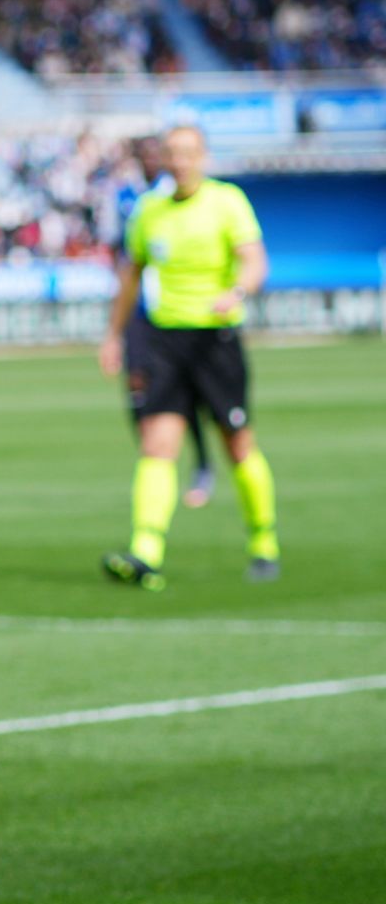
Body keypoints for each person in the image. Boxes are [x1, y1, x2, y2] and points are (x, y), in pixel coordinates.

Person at [98, 124, 276, 590]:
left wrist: (237, 289)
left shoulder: (227, 202)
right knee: (157, 444)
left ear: (203, 156)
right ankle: (145, 551)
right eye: (172, 153)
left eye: (188, 153)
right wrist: (114, 335)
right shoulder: (148, 211)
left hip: (214, 339)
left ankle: (263, 541)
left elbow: (255, 260)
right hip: (163, 341)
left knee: (237, 443)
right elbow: (130, 276)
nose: (179, 161)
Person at [113, 135, 215, 508]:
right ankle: (157, 458)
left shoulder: (173, 197)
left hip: (171, 316)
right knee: (138, 387)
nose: (154, 160)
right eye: (146, 154)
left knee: (188, 393)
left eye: (159, 153)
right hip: (139, 315)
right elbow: (123, 253)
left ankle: (202, 462)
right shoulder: (127, 196)